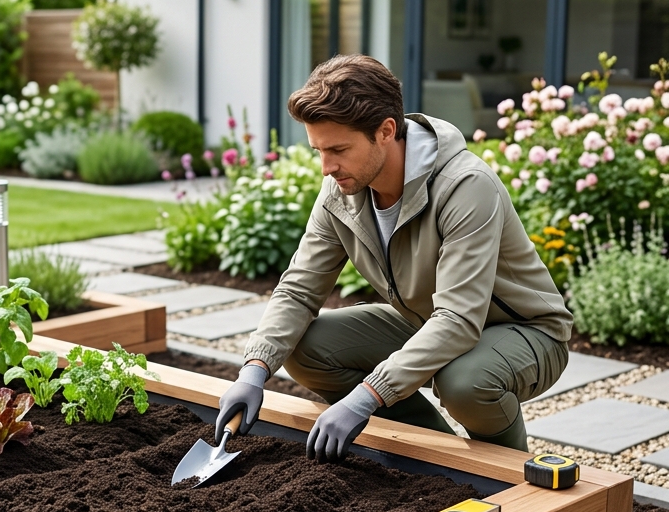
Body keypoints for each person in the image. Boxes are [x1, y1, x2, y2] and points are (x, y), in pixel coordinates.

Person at [216, 55, 572, 462]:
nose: (326, 167)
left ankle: (510, 476)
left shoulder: (466, 186)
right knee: (303, 346)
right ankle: (428, 457)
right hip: (426, 318)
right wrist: (254, 371)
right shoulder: (341, 191)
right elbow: (298, 290)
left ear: (385, 131)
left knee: (466, 382)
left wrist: (364, 398)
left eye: (338, 149)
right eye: (318, 150)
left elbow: (458, 319)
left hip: (524, 330)